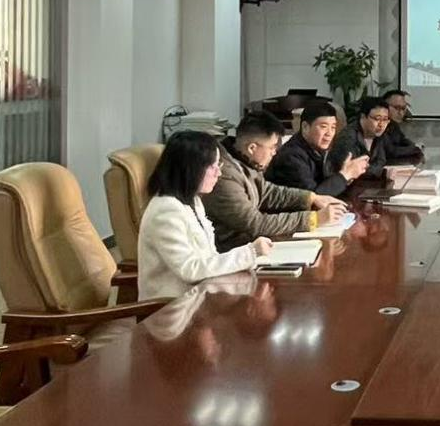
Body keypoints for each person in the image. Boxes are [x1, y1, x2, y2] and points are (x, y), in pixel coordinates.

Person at [138, 131, 274, 300]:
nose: (219, 173)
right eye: (213, 166)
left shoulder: (193, 201)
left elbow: (209, 258)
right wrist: (250, 252)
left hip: (199, 297)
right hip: (171, 307)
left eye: (219, 165)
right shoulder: (165, 210)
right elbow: (190, 270)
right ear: (191, 169)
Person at [203, 111, 347, 252]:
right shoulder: (223, 175)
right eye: (272, 147)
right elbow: (255, 224)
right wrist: (313, 219)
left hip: (251, 244)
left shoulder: (245, 160)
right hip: (233, 251)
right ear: (252, 148)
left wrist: (312, 198)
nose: (274, 152)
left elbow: (267, 192)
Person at [266, 102, 368, 196]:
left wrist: (347, 177)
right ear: (305, 127)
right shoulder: (291, 156)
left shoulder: (319, 149)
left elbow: (325, 184)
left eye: (333, 127)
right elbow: (312, 198)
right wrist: (345, 175)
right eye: (323, 127)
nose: (329, 133)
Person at [330, 96, 391, 180]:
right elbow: (353, 169)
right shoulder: (348, 136)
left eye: (385, 120)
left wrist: (375, 170)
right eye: (377, 119)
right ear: (363, 117)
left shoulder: (377, 135)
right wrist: (382, 172)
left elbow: (381, 161)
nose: (381, 124)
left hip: (368, 182)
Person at [381, 89, 421, 162]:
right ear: (384, 107)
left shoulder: (394, 126)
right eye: (397, 108)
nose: (401, 113)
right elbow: (391, 151)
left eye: (403, 108)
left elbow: (404, 141)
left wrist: (415, 147)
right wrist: (415, 148)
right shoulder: (378, 126)